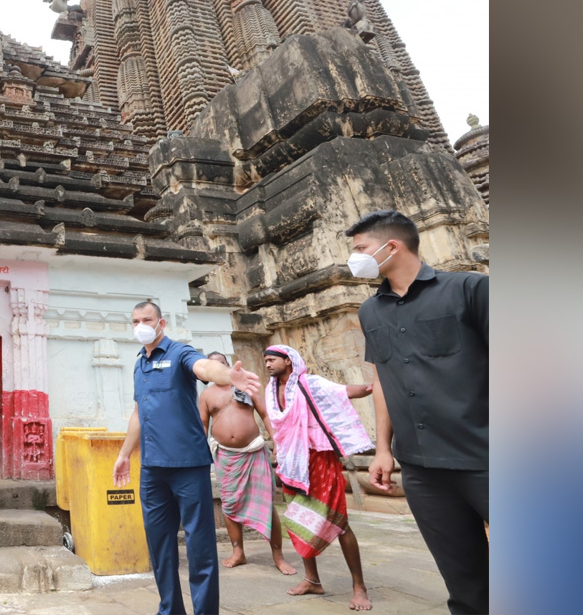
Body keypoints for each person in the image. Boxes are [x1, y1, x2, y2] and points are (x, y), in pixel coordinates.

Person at [347, 210, 489, 614]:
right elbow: (383, 385)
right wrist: (383, 450)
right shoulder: (370, 312)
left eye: (360, 249)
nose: (354, 257)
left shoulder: (470, 290)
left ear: (392, 246)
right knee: (464, 582)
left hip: (488, 456)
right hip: (423, 469)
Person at [112, 301, 261, 615]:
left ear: (161, 323)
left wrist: (229, 377)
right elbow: (138, 414)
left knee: (200, 546)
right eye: (136, 320)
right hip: (152, 469)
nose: (141, 325)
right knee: (159, 547)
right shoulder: (139, 364)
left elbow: (205, 368)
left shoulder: (179, 352)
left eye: (147, 319)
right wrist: (125, 454)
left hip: (188, 466)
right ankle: (170, 609)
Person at [263, 345, 375, 611]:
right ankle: (312, 579)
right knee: (301, 522)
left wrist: (375, 387)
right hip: (292, 464)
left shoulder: (310, 383)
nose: (267, 364)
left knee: (340, 522)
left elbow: (344, 392)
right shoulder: (270, 391)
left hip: (319, 460)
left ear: (288, 361)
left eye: (272, 360)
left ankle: (359, 587)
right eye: (265, 360)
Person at [198, 352, 295, 575]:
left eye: (222, 364)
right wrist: (200, 454)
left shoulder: (245, 387)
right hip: (225, 456)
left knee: (266, 504)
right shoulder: (206, 396)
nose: (219, 368)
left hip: (253, 452)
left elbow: (265, 414)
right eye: (213, 365)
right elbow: (202, 425)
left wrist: (277, 442)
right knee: (229, 505)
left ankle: (278, 556)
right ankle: (238, 551)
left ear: (229, 366)